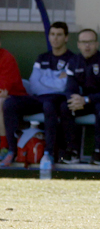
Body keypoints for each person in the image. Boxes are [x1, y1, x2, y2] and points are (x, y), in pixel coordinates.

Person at [2, 23, 74, 162]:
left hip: (58, 99)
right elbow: (34, 85)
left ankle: (48, 153)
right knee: (10, 103)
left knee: (49, 105)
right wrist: (55, 79)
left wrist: (44, 79)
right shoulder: (42, 58)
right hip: (38, 98)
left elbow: (64, 86)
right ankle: (13, 151)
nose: (55, 38)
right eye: (52, 34)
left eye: (59, 35)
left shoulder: (73, 59)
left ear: (66, 38)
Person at [63, 29, 100, 165]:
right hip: (84, 102)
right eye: (83, 42)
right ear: (78, 45)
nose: (87, 46)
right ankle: (72, 151)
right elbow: (70, 89)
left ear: (97, 44)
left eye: (90, 42)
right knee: (65, 107)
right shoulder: (73, 62)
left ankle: (99, 152)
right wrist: (74, 99)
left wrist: (85, 100)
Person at [0, 33, 27, 162]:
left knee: (1, 101)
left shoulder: (6, 57)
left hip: (16, 98)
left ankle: (3, 146)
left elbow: (4, 88)